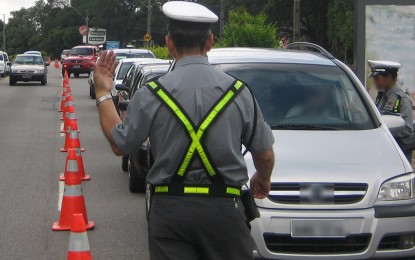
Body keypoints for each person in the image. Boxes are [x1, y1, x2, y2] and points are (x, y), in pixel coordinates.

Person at [93, 1, 275, 259]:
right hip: (225, 211)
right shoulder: (239, 93)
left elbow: (120, 144)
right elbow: (264, 155)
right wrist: (263, 178)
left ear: (168, 43)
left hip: (170, 212)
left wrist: (102, 93)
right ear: (210, 42)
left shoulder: (151, 94)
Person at [368, 60, 414, 160]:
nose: (375, 81)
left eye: (377, 78)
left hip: (399, 154)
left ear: (388, 77)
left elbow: (408, 128)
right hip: (383, 150)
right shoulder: (381, 96)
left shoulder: (402, 99)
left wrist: (385, 131)